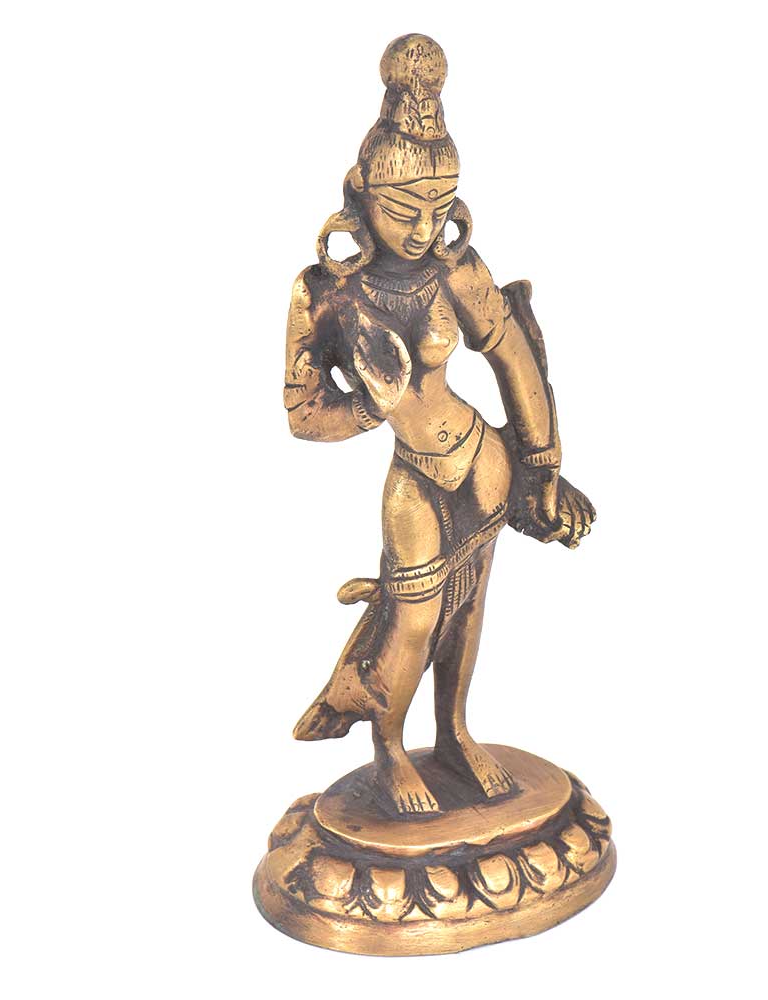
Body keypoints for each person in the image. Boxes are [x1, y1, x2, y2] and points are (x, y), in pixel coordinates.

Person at [282, 35, 595, 815]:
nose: (421, 229)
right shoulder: (327, 294)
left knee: (469, 607)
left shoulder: (458, 272)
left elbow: (516, 359)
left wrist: (543, 466)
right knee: (413, 621)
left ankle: (453, 731)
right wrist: (369, 407)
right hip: (414, 477)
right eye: (401, 211)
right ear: (361, 195)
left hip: (482, 458)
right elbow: (302, 414)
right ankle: (390, 749)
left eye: (435, 208)